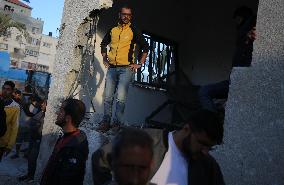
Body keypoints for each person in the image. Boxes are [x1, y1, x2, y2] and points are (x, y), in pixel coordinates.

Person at [92, 109, 225, 185]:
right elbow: (100, 157)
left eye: (210, 147)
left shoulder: (208, 166)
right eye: (202, 143)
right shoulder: (147, 141)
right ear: (186, 129)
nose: (206, 151)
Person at [97, 4, 149, 132]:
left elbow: (145, 47)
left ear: (131, 16)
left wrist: (140, 64)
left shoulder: (133, 30)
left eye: (128, 15)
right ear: (119, 15)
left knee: (120, 98)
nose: (126, 17)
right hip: (112, 68)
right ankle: (106, 122)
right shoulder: (113, 29)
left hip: (126, 69)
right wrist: (104, 58)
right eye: (124, 14)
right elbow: (103, 43)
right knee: (108, 97)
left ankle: (116, 124)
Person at [40, 98, 89, 185]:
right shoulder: (65, 138)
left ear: (68, 118)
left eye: (61, 110)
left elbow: (68, 180)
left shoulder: (75, 148)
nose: (57, 113)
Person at [18, 99, 47, 183]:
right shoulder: (40, 112)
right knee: (30, 158)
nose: (42, 104)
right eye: (42, 103)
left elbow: (40, 127)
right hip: (33, 138)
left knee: (32, 159)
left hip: (37, 140)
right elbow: (31, 118)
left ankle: (31, 176)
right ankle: (29, 174)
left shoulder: (47, 116)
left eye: (44, 103)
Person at [0, 81, 20, 161]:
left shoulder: (15, 107)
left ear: (12, 91)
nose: (5, 91)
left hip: (2, 142)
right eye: (3, 88)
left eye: (8, 89)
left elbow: (15, 127)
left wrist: (10, 146)